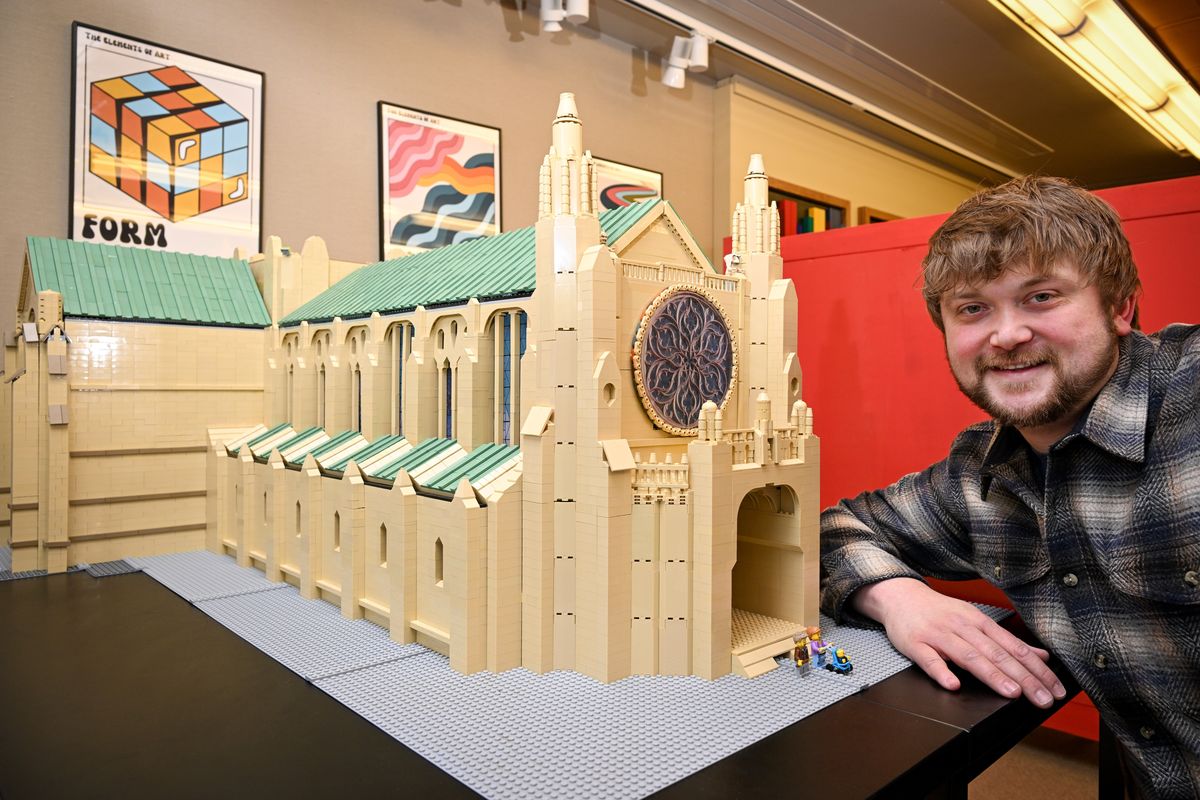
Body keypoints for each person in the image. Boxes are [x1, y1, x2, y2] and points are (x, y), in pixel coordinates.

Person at [819, 176, 1199, 798]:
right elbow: (836, 528)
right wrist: (899, 599)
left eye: (1042, 296)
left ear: (1120, 307)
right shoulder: (981, 473)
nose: (1006, 335)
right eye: (973, 309)